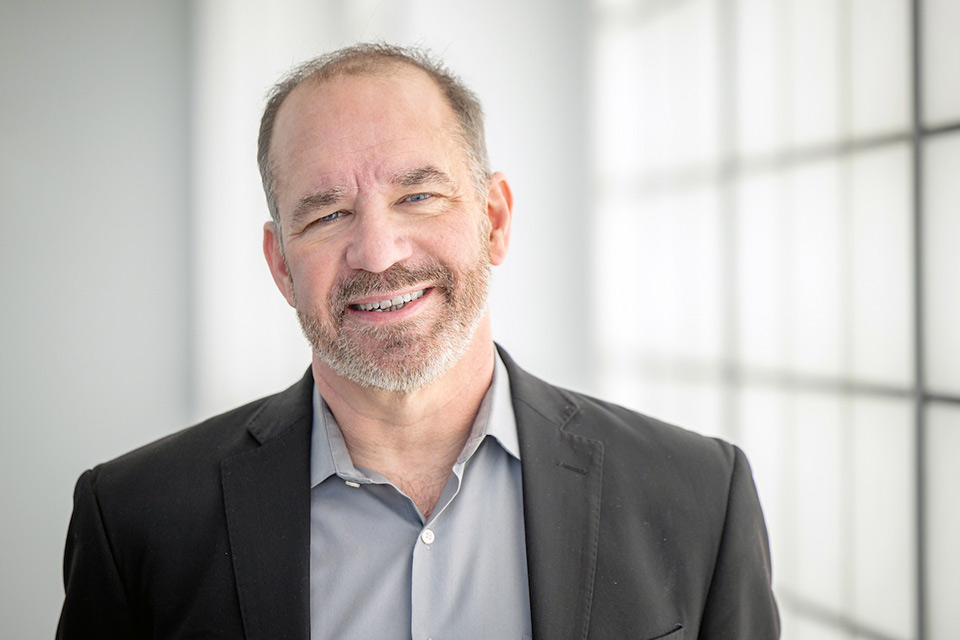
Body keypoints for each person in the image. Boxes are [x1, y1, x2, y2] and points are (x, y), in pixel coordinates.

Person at [57, 43, 779, 639]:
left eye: (418, 195)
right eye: (328, 213)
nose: (377, 251)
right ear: (281, 265)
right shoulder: (135, 524)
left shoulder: (701, 499)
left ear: (493, 220)